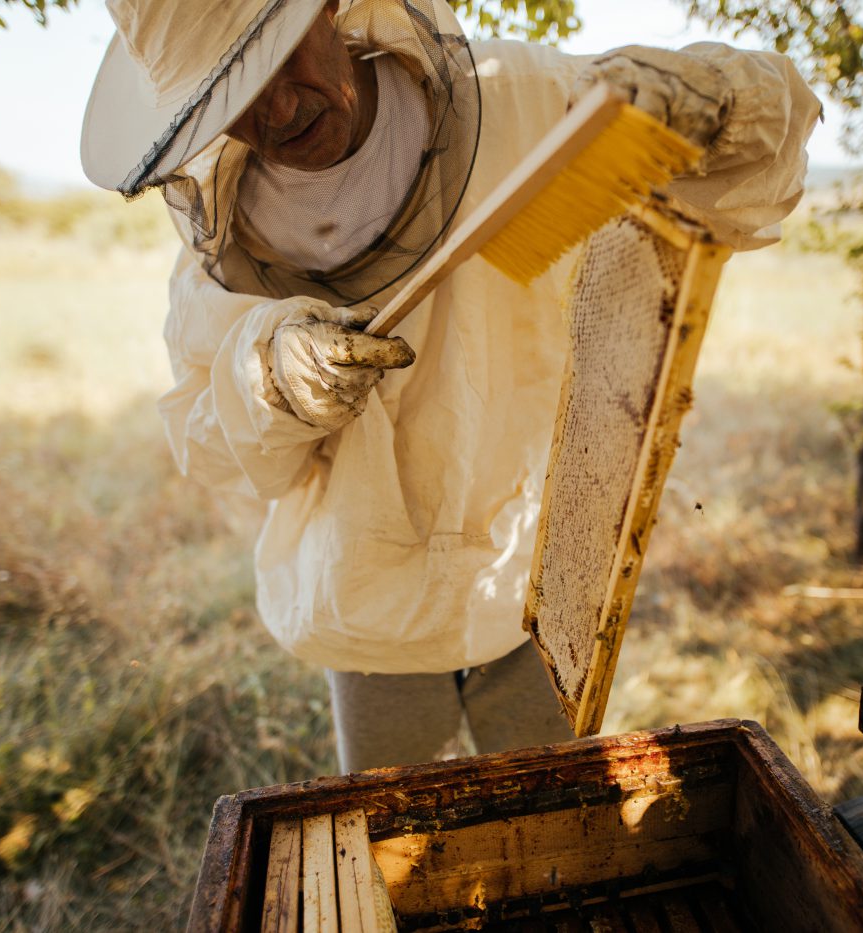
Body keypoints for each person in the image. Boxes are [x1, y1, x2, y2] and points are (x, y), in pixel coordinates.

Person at [81, 0, 820, 773]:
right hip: (370, 616)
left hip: (536, 585)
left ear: (329, 7)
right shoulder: (219, 248)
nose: (279, 108)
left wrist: (717, 103)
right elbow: (214, 450)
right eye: (226, 102)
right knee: (396, 853)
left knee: (561, 834)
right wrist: (270, 382)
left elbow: (777, 136)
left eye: (280, 58)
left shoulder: (518, 98)